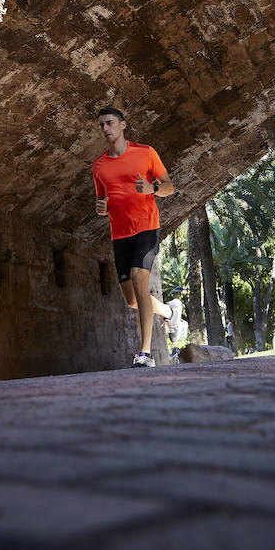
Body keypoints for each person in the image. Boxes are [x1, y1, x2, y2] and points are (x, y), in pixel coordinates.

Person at [92, 106, 183, 367]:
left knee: (139, 279)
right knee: (132, 299)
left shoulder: (145, 153)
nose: (105, 129)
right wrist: (102, 208)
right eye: (101, 125)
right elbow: (103, 200)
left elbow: (169, 186)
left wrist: (152, 187)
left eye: (109, 123)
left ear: (123, 125)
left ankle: (145, 355)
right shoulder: (98, 167)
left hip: (146, 227)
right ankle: (169, 311)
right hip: (119, 234)